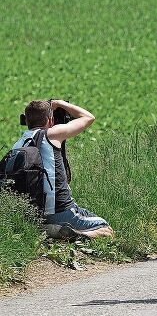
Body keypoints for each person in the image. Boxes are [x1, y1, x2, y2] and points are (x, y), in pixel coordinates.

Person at [14, 100, 113, 240]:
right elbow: (88, 118)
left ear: (26, 120)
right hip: (60, 210)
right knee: (106, 229)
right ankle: (77, 236)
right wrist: (59, 103)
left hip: (33, 213)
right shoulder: (52, 134)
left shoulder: (19, 144)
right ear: (50, 119)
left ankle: (48, 230)